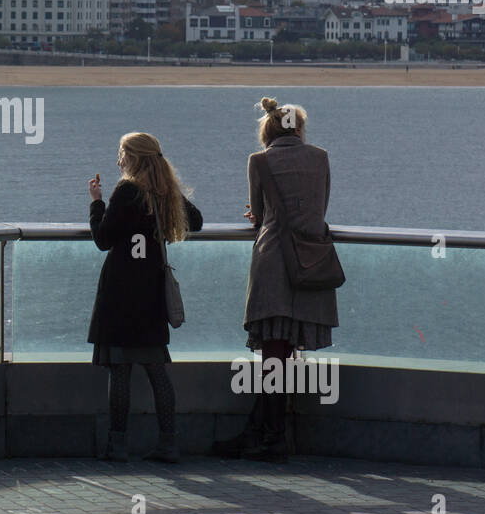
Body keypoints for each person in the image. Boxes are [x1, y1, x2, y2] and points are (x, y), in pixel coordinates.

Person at [213, 97, 339, 463]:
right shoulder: (321, 157)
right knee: (284, 354)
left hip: (272, 263)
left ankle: (270, 437)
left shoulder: (259, 161)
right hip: (310, 259)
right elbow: (320, 208)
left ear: (267, 129)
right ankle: (268, 434)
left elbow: (259, 217)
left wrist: (262, 214)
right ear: (299, 128)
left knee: (273, 352)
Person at [88, 132, 203, 463]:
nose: (118, 160)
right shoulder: (163, 193)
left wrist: (96, 202)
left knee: (120, 371)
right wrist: (173, 195)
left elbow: (103, 238)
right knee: (156, 369)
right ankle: (169, 443)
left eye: (121, 154)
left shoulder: (126, 191)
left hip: (120, 294)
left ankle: (117, 445)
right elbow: (195, 221)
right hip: (151, 294)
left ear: (134, 158)